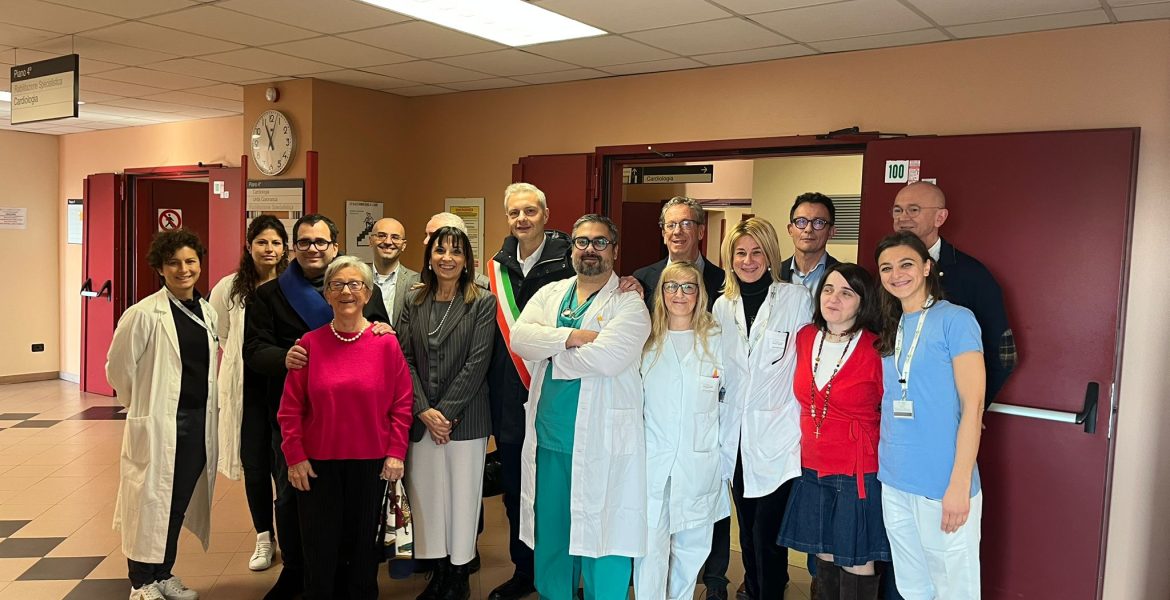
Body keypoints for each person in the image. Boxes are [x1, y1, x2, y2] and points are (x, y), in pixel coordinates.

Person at [243, 214, 389, 599]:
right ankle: (297, 570)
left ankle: (344, 572)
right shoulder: (269, 295)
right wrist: (285, 358)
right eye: (305, 242)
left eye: (320, 242)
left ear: (334, 246)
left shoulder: (359, 287)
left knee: (351, 503)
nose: (312, 248)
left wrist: (384, 330)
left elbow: (379, 331)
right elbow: (253, 349)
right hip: (293, 414)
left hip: (353, 422)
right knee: (293, 495)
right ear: (294, 248)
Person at [511, 214, 651, 600]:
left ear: (614, 250)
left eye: (600, 242)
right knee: (553, 533)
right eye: (582, 241)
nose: (590, 249)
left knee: (603, 535)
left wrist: (551, 348)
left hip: (603, 442)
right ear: (572, 248)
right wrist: (573, 336)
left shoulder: (630, 304)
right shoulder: (551, 293)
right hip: (550, 437)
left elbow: (608, 358)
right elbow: (520, 339)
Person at [277, 256, 414, 600]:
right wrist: (295, 457)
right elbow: (290, 409)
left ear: (367, 294)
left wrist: (396, 453)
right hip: (317, 465)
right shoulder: (308, 345)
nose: (346, 292)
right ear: (326, 294)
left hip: (371, 463)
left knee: (363, 550)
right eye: (336, 285)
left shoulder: (386, 343)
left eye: (355, 284)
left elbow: (402, 403)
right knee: (319, 550)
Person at [107, 229, 219, 600]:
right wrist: (142, 406)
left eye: (190, 261)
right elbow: (117, 369)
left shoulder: (207, 311)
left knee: (176, 505)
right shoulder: (142, 314)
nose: (183, 270)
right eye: (173, 263)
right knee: (149, 503)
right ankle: (141, 582)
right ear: (160, 268)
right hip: (158, 423)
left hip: (197, 423)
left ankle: (163, 572)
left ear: (200, 264)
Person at [874, 231, 984, 600]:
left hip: (943, 483)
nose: (896, 274)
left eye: (906, 264)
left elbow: (973, 406)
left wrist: (959, 485)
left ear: (926, 267)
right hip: (895, 478)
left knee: (954, 589)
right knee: (913, 586)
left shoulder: (956, 320)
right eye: (886, 268)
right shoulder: (892, 325)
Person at [631, 196, 730, 599]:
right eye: (671, 286)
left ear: (700, 293)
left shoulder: (718, 339)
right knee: (650, 551)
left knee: (692, 552)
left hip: (699, 462)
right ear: (660, 292)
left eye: (689, 287)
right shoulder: (645, 342)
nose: (679, 294)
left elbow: (729, 402)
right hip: (651, 462)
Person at [711, 217, 812, 600]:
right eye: (740, 253)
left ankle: (767, 591)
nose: (748, 261)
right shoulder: (722, 305)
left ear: (770, 255)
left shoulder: (795, 298)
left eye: (756, 252)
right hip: (734, 436)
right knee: (747, 530)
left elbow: (808, 361)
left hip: (777, 436)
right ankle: (753, 590)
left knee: (768, 535)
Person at [776, 263, 890, 599]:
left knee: (856, 559)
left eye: (846, 292)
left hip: (857, 470)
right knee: (823, 554)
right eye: (828, 289)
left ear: (863, 302)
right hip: (812, 465)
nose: (833, 298)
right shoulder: (805, 338)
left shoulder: (877, 348)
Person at [486, 183, 575, 600]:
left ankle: (564, 575)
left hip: (556, 395)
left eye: (530, 211)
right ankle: (525, 570)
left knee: (559, 493)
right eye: (514, 213)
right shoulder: (496, 267)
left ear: (545, 214)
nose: (522, 219)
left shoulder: (571, 261)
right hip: (508, 399)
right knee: (515, 492)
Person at [399, 225, 497, 600]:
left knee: (462, 498)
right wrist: (424, 410)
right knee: (427, 497)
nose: (447, 258)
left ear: (467, 260)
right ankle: (438, 572)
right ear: (429, 258)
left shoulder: (482, 302)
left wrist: (446, 414)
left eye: (456, 251)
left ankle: (459, 576)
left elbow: (477, 363)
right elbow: (403, 359)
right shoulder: (413, 299)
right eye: (440, 250)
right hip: (422, 420)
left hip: (467, 419)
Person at [208, 215, 287, 572]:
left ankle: (290, 536)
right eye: (262, 242)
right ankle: (263, 537)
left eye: (275, 243)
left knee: (285, 465)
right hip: (247, 389)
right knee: (255, 466)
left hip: (283, 388)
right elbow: (221, 334)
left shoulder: (292, 285)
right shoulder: (228, 288)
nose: (269, 249)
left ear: (284, 248)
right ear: (249, 246)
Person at [892, 181, 1014, 406]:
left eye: (913, 210)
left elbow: (1003, 354)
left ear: (940, 217)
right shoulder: (887, 274)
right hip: (893, 406)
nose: (902, 218)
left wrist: (970, 409)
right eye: (897, 210)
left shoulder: (972, 275)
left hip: (947, 408)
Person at [780, 192, 841, 293]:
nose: (808, 229)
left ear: (831, 231)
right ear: (790, 230)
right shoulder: (773, 275)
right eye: (801, 221)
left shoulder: (846, 277)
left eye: (818, 222)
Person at [368, 217, 420, 328]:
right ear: (370, 241)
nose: (388, 242)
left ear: (404, 245)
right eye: (381, 236)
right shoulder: (357, 279)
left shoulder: (417, 282)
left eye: (395, 237)